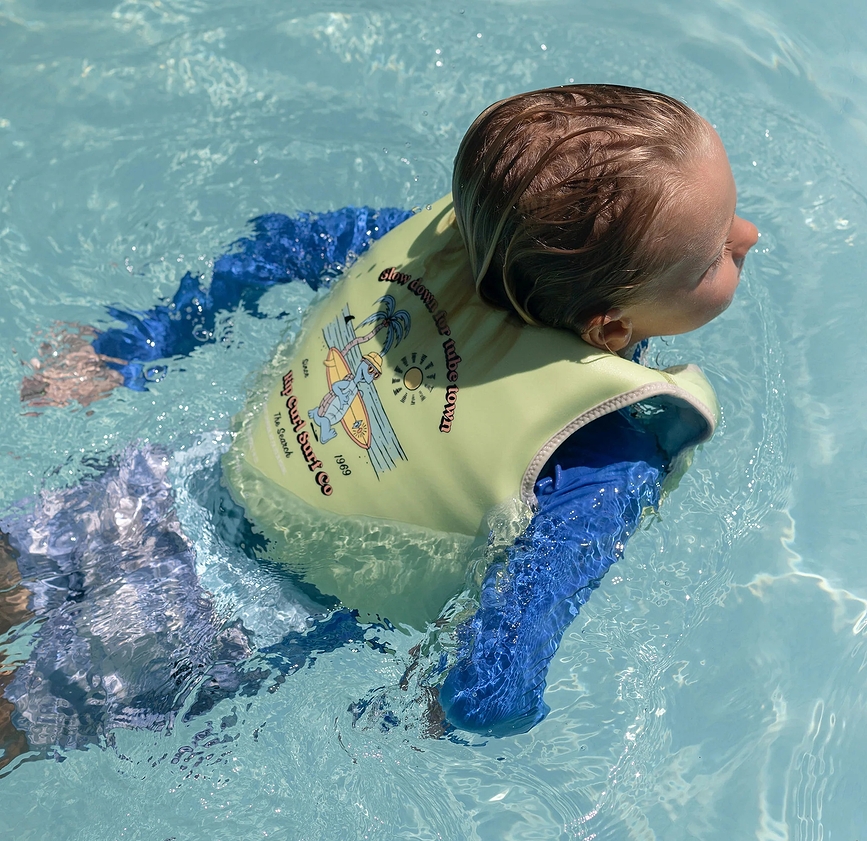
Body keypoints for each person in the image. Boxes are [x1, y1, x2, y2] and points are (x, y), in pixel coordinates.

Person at [3, 85, 757, 762]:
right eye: (713, 254)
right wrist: (465, 710)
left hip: (171, 487)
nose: (748, 236)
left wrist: (129, 348)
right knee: (17, 718)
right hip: (223, 622)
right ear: (606, 325)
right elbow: (508, 650)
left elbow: (280, 248)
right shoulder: (604, 450)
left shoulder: (428, 245)